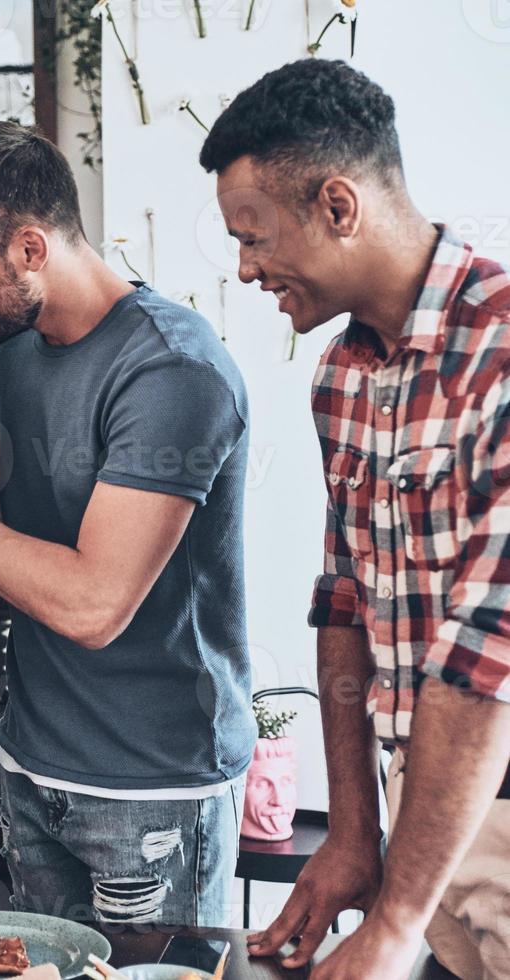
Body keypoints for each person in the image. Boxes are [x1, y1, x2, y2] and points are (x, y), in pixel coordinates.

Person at [0, 119, 254, 927]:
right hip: (32, 762)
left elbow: (92, 606)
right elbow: (22, 534)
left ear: (31, 250)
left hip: (151, 789)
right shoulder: (21, 351)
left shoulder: (171, 370)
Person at [201, 59, 510, 980]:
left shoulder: (499, 349)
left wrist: (394, 921)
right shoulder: (342, 375)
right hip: (425, 808)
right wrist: (351, 835)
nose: (247, 269)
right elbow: (343, 602)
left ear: (338, 205)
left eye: (252, 238)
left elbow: (488, 650)